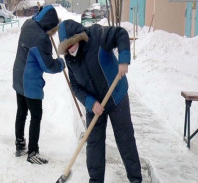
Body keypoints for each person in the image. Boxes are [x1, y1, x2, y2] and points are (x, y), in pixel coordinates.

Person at [57, 19, 142, 182]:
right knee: (94, 143)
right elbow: (75, 86)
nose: (70, 50)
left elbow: (120, 34)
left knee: (125, 140)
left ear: (78, 38)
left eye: (71, 44)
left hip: (116, 96)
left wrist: (124, 58)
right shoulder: (70, 58)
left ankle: (135, 179)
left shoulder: (97, 36)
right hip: (95, 103)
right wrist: (90, 103)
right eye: (66, 48)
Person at [12, 5, 65, 165]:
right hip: (30, 82)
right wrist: (60, 63)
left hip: (18, 75)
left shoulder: (28, 23)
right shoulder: (42, 39)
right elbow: (48, 65)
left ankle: (20, 145)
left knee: (21, 112)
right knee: (36, 115)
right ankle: (32, 152)